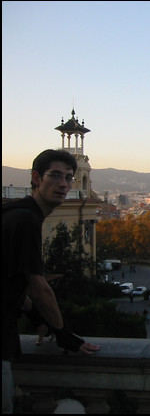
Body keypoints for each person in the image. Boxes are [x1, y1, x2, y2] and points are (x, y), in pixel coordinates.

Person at [2, 150, 101, 414]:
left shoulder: (16, 214)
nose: (64, 184)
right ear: (36, 178)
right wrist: (64, 335)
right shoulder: (25, 220)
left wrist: (36, 317)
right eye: (55, 176)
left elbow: (11, 282)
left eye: (69, 178)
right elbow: (39, 286)